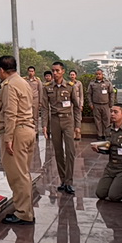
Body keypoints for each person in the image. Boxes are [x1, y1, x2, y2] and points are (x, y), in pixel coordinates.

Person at [0, 55, 36, 225]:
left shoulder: (9, 85)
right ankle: (25, 210)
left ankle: (23, 213)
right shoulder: (23, 82)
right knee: (24, 174)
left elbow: (11, 114)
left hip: (17, 133)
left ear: (1, 70)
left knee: (18, 176)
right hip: (27, 129)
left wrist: (8, 139)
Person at [44, 61, 79, 195]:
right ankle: (63, 180)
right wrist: (45, 126)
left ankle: (69, 181)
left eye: (57, 70)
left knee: (70, 152)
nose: (55, 73)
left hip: (67, 120)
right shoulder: (47, 87)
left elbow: (76, 107)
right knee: (58, 152)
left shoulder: (70, 87)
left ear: (63, 71)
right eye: (53, 70)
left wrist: (78, 126)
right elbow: (44, 107)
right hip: (54, 120)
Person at [93, 104, 122, 203]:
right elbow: (109, 149)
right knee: (100, 193)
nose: (112, 114)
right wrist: (99, 149)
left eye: (116, 112)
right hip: (111, 168)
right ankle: (116, 184)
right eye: (111, 112)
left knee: (113, 196)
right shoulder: (109, 130)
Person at [87, 70, 116, 140]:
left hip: (106, 105)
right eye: (97, 74)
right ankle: (100, 135)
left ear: (102, 75)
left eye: (99, 74)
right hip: (96, 105)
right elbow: (89, 94)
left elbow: (112, 93)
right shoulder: (92, 83)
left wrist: (111, 103)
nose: (98, 75)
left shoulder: (107, 83)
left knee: (107, 120)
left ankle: (107, 135)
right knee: (98, 121)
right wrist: (90, 103)